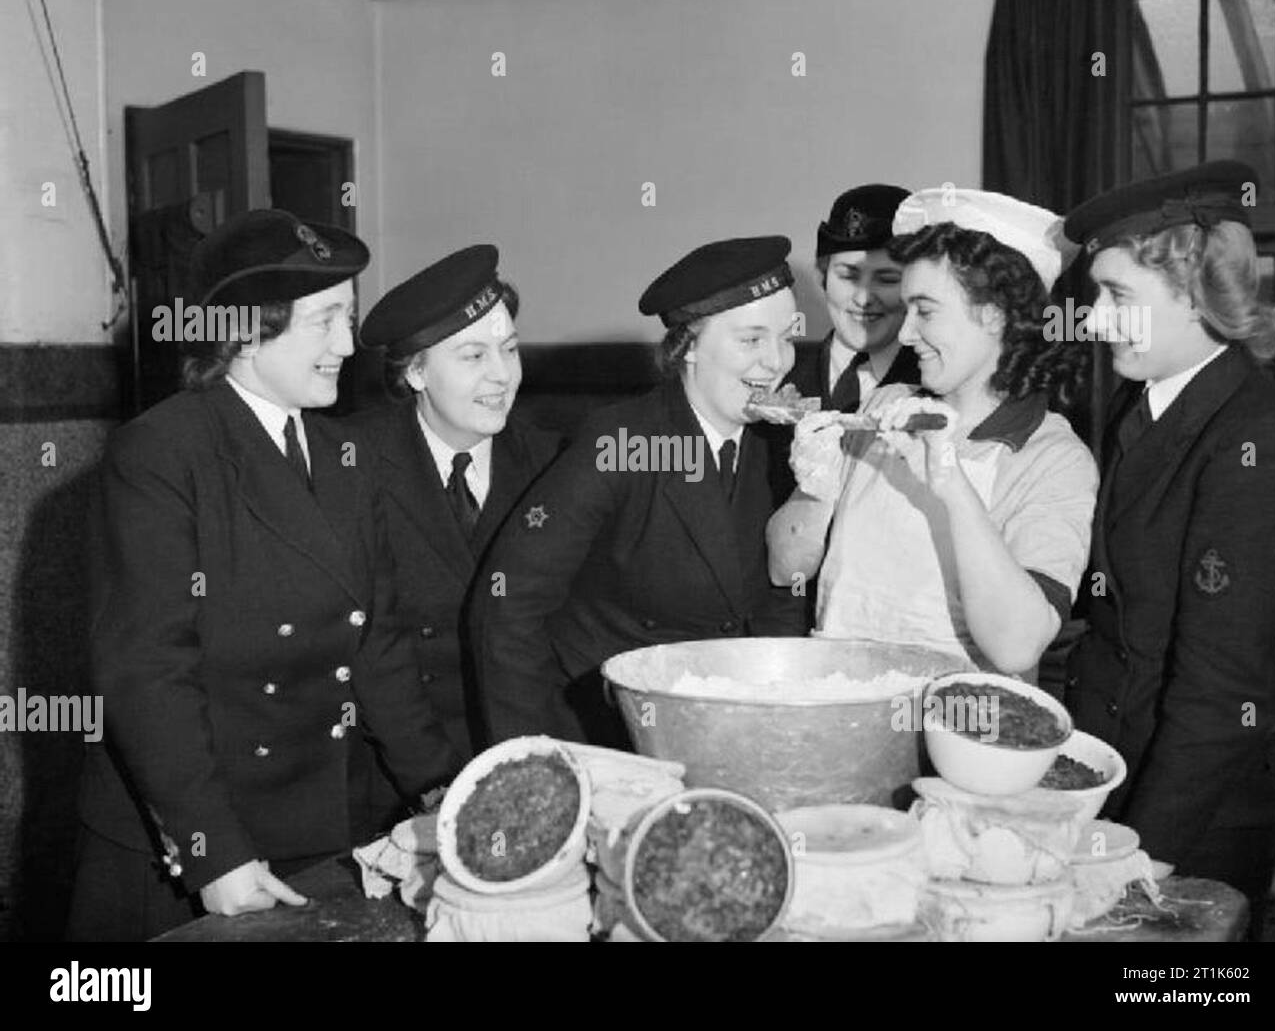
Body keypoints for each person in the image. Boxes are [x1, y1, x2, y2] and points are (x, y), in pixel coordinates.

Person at [66, 210, 457, 941]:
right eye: (326, 320)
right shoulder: (160, 454)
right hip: (191, 836)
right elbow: (147, 670)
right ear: (246, 332)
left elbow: (380, 647)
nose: (348, 344)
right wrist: (212, 848)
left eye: (350, 316)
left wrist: (436, 788)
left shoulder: (344, 456)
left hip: (317, 817)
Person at [1062, 161, 1275, 924]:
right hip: (1118, 778)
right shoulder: (1147, 402)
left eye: (1118, 296)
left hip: (1193, 819)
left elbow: (1223, 683)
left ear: (1197, 294)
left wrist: (1141, 849)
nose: (1095, 320)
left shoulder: (1253, 439)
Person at [473, 236, 808, 744]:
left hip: (733, 722)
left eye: (786, 337)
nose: (776, 361)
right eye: (751, 340)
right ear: (690, 346)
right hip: (609, 728)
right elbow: (508, 603)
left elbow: (783, 599)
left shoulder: (784, 444)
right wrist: (535, 752)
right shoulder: (624, 442)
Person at [768, 190, 1098, 677]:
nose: (904, 334)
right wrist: (815, 487)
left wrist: (951, 484)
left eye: (925, 310)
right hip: (841, 706)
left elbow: (1018, 648)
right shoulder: (885, 404)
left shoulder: (1053, 457)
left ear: (994, 312)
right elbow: (786, 569)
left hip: (961, 730)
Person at [347, 245, 561, 767]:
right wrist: (435, 782)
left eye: (509, 350)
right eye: (473, 357)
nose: (502, 376)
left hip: (524, 748)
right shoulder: (351, 465)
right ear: (415, 373)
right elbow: (371, 655)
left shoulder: (552, 463)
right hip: (396, 764)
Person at [785, 184, 920, 410]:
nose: (863, 298)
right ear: (822, 275)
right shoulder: (775, 372)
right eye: (848, 276)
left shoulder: (941, 386)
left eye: (886, 279)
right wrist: (700, 444)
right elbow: (704, 437)